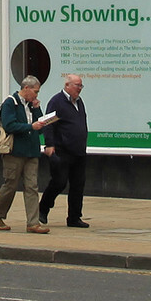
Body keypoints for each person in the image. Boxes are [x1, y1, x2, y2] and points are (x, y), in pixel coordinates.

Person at [0, 75, 50, 233]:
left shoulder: (31, 105)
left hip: (32, 152)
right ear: (26, 88)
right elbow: (9, 126)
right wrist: (31, 126)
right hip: (14, 152)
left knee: (32, 187)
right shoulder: (11, 103)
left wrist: (37, 109)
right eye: (35, 92)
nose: (36, 95)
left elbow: (41, 127)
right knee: (10, 184)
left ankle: (33, 223)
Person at [41, 72, 90, 229]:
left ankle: (74, 218)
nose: (80, 89)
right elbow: (48, 124)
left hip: (79, 152)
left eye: (81, 85)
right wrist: (49, 145)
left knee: (78, 185)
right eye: (77, 85)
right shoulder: (57, 101)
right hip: (62, 151)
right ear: (67, 85)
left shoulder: (79, 102)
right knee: (59, 182)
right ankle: (43, 209)